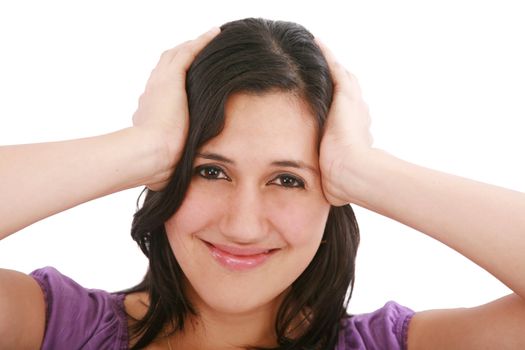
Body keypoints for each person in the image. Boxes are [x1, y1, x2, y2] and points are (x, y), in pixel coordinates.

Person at [0, 17, 524, 350]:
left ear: (335, 195)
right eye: (211, 171)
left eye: (288, 180)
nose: (242, 224)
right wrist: (148, 146)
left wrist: (365, 170)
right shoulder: (52, 329)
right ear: (168, 179)